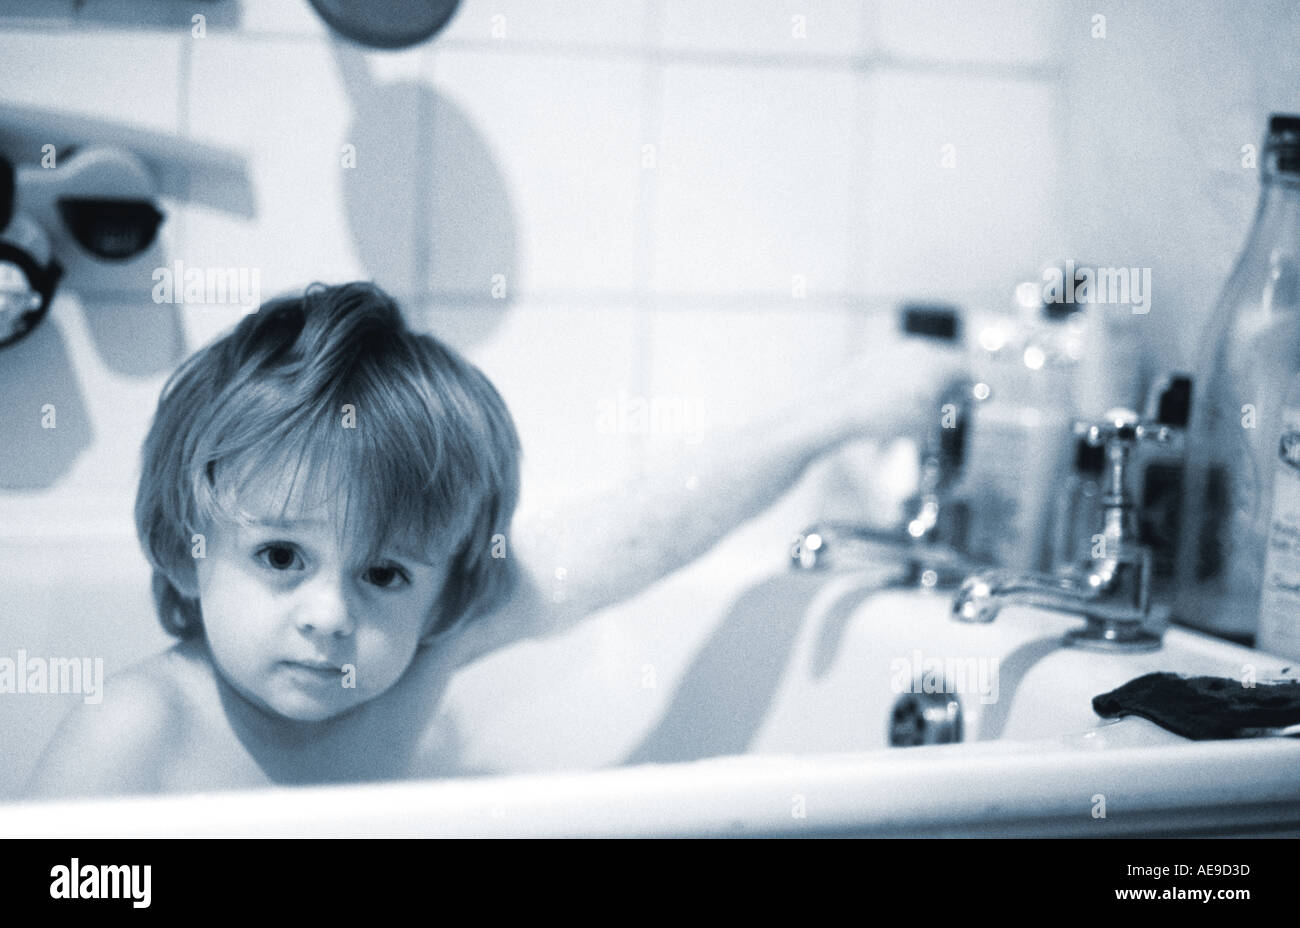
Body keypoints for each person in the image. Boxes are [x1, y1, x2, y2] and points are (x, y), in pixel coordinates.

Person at [27, 282, 961, 797]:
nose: (330, 617)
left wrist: (829, 420)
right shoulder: (139, 729)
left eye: (386, 573)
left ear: (443, 594)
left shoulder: (420, 656)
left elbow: (626, 538)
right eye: (281, 557)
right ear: (187, 547)